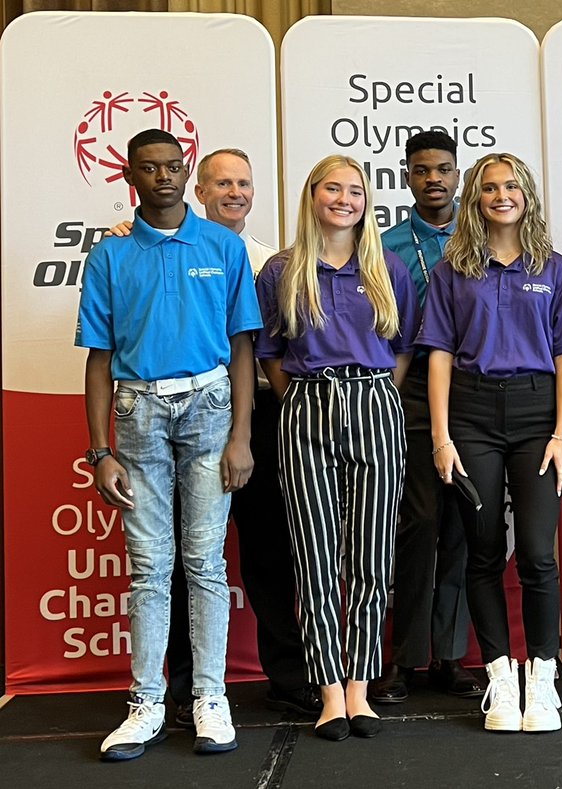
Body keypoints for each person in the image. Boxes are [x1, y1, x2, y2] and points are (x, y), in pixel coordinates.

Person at [112, 148, 321, 725]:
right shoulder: (138, 243)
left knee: (269, 549)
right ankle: (182, 688)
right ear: (197, 190)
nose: (236, 192)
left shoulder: (271, 258)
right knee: (180, 554)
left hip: (260, 416)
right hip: (180, 413)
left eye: (245, 183)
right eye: (223, 182)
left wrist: (246, 431)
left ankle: (287, 677)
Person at [78, 128, 260, 759]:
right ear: (131, 178)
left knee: (206, 564)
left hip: (211, 409)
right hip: (138, 414)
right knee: (151, 567)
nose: (163, 176)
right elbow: (99, 359)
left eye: (172, 166)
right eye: (149, 169)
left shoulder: (221, 246)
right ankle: (146, 702)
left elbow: (243, 347)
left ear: (187, 175)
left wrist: (241, 434)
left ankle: (212, 697)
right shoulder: (109, 256)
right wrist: (100, 451)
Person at [419, 152, 562, 733]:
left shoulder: (557, 269)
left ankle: (541, 679)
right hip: (470, 415)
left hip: (536, 413)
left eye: (512, 186)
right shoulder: (452, 270)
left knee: (539, 554)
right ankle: (499, 677)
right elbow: (439, 356)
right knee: (483, 548)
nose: (502, 195)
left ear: (528, 196)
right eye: (490, 187)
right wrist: (442, 438)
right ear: (475, 197)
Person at [254, 154, 420, 741]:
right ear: (312, 195)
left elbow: (402, 348)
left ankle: (360, 690)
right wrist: (301, 398)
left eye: (356, 190)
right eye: (334, 188)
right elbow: (269, 355)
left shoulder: (389, 268)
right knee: (316, 556)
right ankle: (328, 693)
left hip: (376, 403)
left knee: (372, 557)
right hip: (304, 406)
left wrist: (377, 397)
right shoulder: (281, 270)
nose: (345, 199)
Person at [371, 131, 482, 703]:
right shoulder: (386, 247)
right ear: (407, 176)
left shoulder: (487, 235)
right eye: (421, 170)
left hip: (478, 392)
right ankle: (403, 660)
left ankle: (450, 657)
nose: (433, 178)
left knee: (464, 529)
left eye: (443, 169)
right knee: (416, 527)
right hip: (413, 393)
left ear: (458, 173)